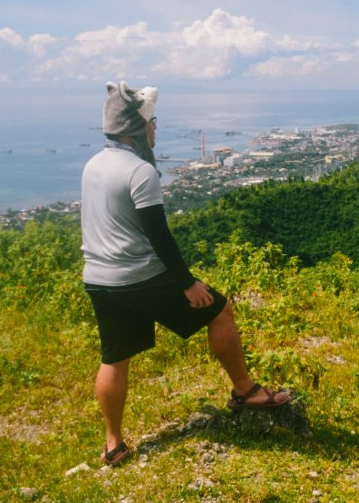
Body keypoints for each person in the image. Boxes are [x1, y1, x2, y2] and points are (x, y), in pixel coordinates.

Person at [81, 81, 289, 467]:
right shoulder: (140, 171)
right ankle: (246, 391)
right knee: (219, 309)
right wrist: (188, 283)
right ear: (135, 127)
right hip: (139, 275)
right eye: (152, 122)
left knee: (115, 357)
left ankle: (113, 443)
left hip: (99, 277)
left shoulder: (94, 164)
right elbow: (159, 236)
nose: (155, 129)